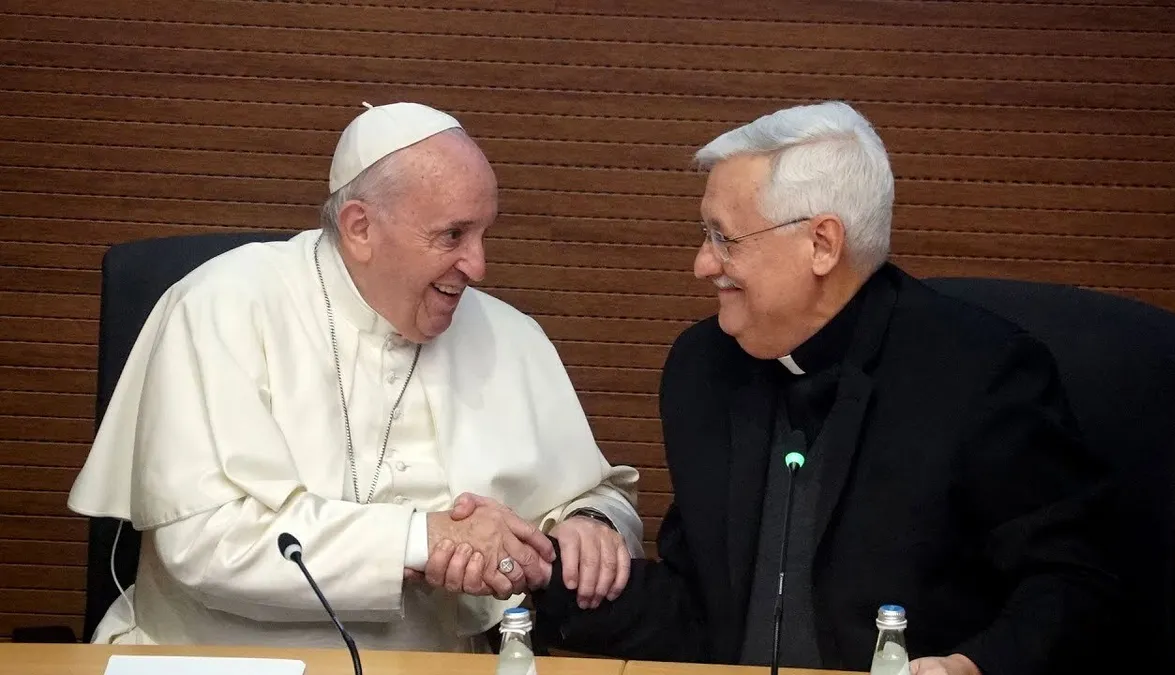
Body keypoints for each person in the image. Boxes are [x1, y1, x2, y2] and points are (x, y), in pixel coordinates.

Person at [522, 101, 1116, 674]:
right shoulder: (703, 369)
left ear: (822, 244)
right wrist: (544, 574)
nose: (703, 263)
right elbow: (701, 612)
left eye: (724, 237)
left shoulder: (981, 372)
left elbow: (1074, 581)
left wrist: (971, 667)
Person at [66, 101, 643, 651]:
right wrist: (423, 539)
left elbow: (598, 493)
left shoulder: (509, 333)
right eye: (453, 235)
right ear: (360, 227)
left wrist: (591, 524)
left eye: (484, 233)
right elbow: (204, 541)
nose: (478, 265)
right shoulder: (222, 305)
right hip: (221, 661)